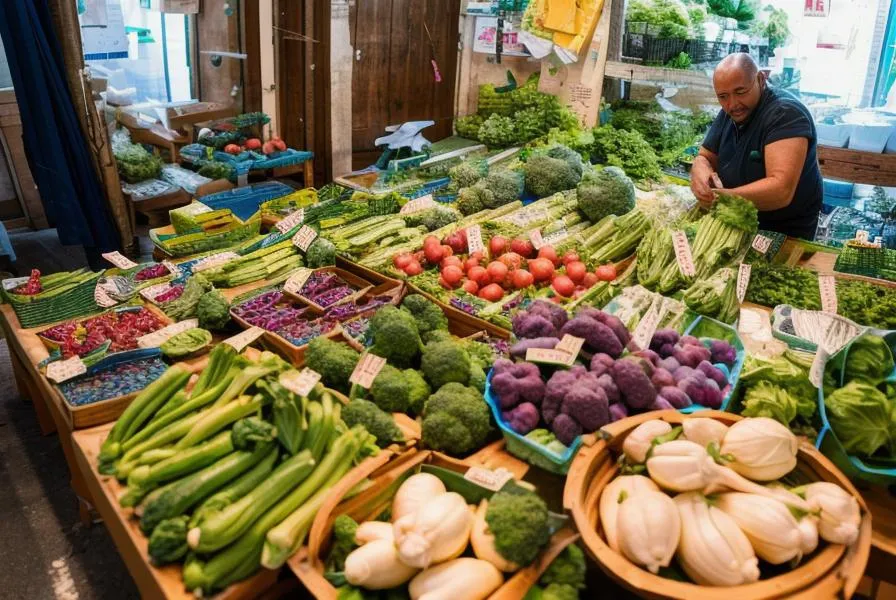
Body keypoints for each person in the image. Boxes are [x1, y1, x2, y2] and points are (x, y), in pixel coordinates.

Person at [690, 53, 823, 239]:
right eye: (723, 96)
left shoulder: (785, 114)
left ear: (760, 79)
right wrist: (700, 175)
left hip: (782, 234)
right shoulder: (730, 112)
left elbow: (780, 189)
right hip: (737, 223)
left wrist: (723, 198)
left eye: (740, 92)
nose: (732, 104)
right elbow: (705, 156)